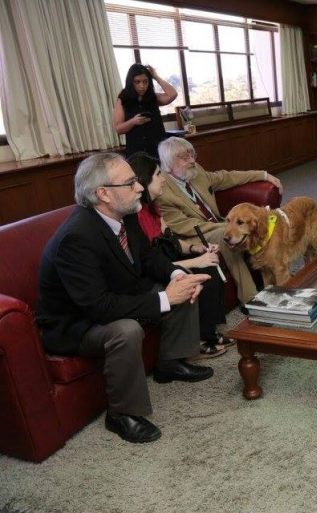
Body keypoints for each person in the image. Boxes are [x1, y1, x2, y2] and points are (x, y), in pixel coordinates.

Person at [36, 153, 214, 444]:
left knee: (181, 283)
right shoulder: (76, 238)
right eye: (130, 183)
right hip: (76, 324)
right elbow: (99, 307)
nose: (140, 187)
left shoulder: (125, 214)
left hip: (116, 295)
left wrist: (177, 275)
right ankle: (121, 414)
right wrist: (165, 299)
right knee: (126, 330)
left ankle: (171, 362)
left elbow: (148, 256)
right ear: (103, 194)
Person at [129, 151, 234, 358]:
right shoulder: (135, 216)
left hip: (165, 260)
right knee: (201, 272)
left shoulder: (154, 207)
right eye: (158, 175)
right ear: (144, 180)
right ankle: (200, 339)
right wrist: (196, 261)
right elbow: (151, 261)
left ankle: (208, 332)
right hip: (154, 270)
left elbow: (171, 243)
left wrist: (196, 249)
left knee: (209, 265)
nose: (163, 179)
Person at [154, 137, 283, 303]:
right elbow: (186, 227)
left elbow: (225, 177)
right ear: (169, 163)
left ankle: (275, 274)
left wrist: (263, 175)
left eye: (192, 154)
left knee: (259, 224)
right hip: (193, 235)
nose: (192, 161)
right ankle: (250, 298)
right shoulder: (163, 191)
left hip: (217, 224)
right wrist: (227, 226)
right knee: (227, 235)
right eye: (185, 157)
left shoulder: (195, 171)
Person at [112, 64, 178, 158]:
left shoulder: (153, 97)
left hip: (158, 149)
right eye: (137, 82)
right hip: (136, 152)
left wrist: (156, 76)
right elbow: (118, 129)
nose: (142, 86)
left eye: (145, 81)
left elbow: (173, 94)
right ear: (131, 82)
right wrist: (133, 122)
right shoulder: (123, 99)